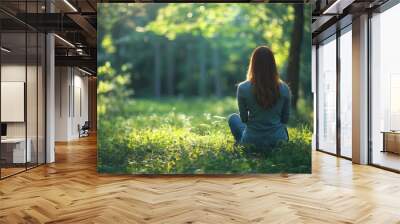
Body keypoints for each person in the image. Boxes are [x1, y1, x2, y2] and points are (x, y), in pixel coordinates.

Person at [228, 46, 291, 148]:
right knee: (281, 127)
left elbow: (244, 119)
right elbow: (285, 119)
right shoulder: (284, 88)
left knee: (233, 118)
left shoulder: (243, 88)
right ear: (273, 65)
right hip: (277, 141)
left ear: (253, 64)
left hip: (252, 141)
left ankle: (240, 143)